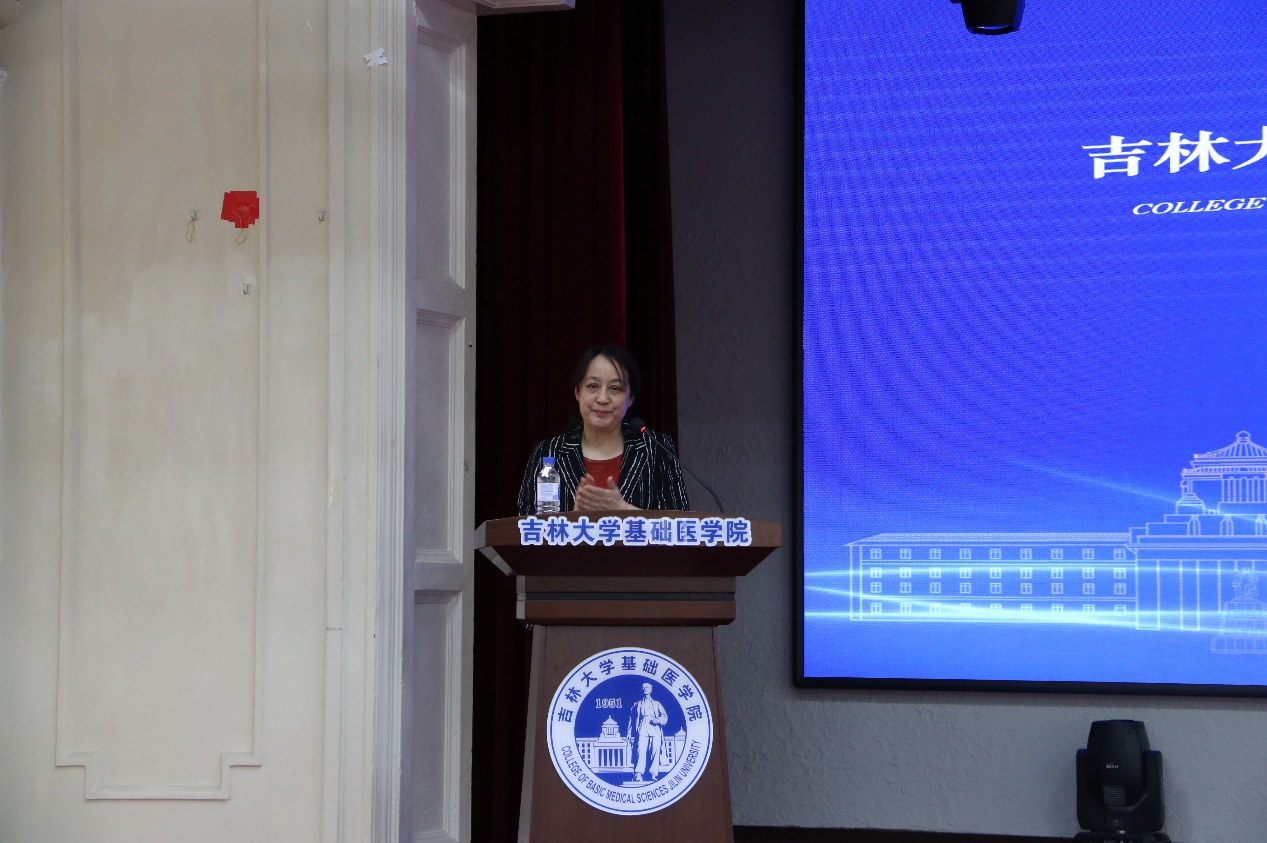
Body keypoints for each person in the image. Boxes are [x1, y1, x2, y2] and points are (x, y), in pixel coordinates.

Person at [516, 343, 689, 515]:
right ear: (577, 392)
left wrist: (626, 511)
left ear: (630, 399)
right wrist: (573, 521)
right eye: (593, 386)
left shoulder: (657, 449)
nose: (603, 398)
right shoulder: (547, 452)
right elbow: (523, 526)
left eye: (615, 388)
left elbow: (681, 524)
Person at [627, 682, 669, 782]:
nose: (645, 689)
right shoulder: (637, 704)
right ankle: (638, 773)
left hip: (655, 729)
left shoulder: (657, 703)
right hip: (642, 727)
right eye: (643, 687)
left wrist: (658, 720)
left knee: (655, 751)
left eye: (647, 687)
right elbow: (631, 720)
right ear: (641, 690)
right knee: (640, 750)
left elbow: (664, 716)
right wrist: (629, 733)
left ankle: (653, 774)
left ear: (651, 689)